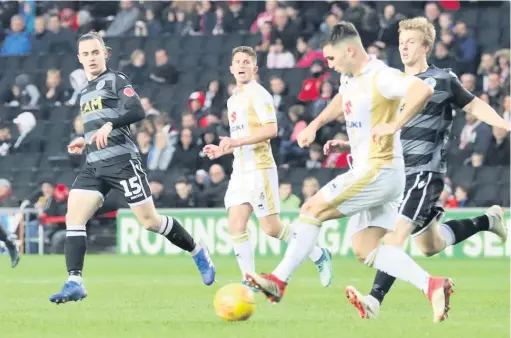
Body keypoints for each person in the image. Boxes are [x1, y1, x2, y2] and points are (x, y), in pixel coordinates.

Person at [244, 22, 453, 323]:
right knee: (364, 249)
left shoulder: (380, 76)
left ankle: (278, 280)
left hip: (378, 170)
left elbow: (422, 88)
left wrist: (395, 125)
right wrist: (315, 125)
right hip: (376, 172)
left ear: (350, 51)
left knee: (311, 209)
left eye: (331, 59)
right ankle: (432, 285)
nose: (328, 66)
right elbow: (343, 99)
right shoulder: (349, 78)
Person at [344, 17, 510, 320]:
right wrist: (350, 145)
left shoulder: (442, 79)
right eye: (401, 42)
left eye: (410, 42)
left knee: (394, 238)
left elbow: (474, 106)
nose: (404, 47)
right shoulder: (392, 83)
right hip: (393, 174)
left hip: (424, 173)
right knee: (430, 245)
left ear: (425, 46)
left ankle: (374, 300)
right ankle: (489, 220)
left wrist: (504, 123)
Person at [49, 31, 215, 304]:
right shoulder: (85, 91)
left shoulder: (116, 80)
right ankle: (74, 281)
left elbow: (138, 111)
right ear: (79, 59)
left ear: (105, 54)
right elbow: (98, 127)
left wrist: (110, 124)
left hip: (122, 163)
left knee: (150, 222)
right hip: (93, 164)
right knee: (74, 218)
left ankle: (197, 251)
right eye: (86, 54)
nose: (91, 58)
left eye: (95, 52)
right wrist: (86, 140)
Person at [202, 46, 333, 290]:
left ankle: (318, 254)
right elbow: (240, 137)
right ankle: (249, 278)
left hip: (260, 168)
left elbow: (271, 130)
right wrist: (223, 149)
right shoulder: (232, 101)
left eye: (246, 62)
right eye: (237, 62)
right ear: (231, 68)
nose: (241, 65)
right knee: (235, 224)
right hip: (240, 169)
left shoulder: (259, 94)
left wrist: (237, 142)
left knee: (272, 229)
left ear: (254, 68)